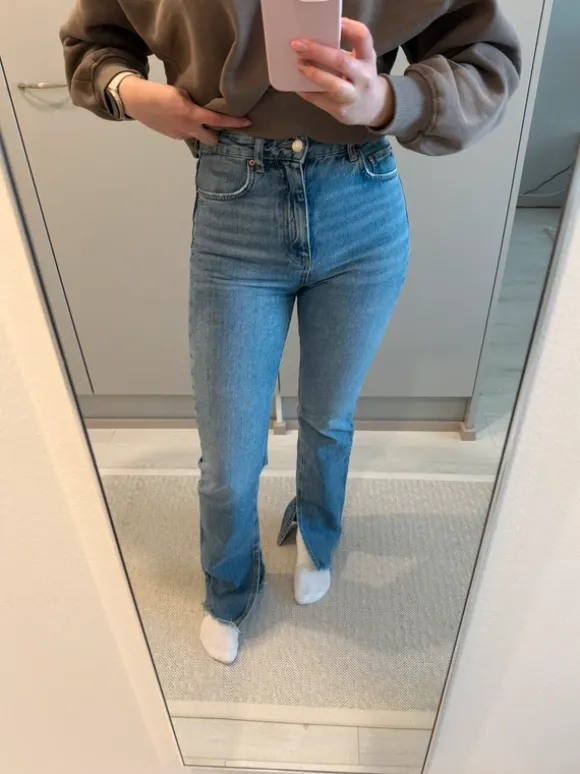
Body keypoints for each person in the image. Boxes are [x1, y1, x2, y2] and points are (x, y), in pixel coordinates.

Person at [60, 0, 521, 664]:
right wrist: (130, 95)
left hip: (359, 198)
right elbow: (92, 41)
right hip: (234, 203)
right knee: (228, 459)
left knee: (330, 418)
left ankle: (316, 532)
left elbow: (485, 57)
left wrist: (389, 99)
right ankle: (229, 584)